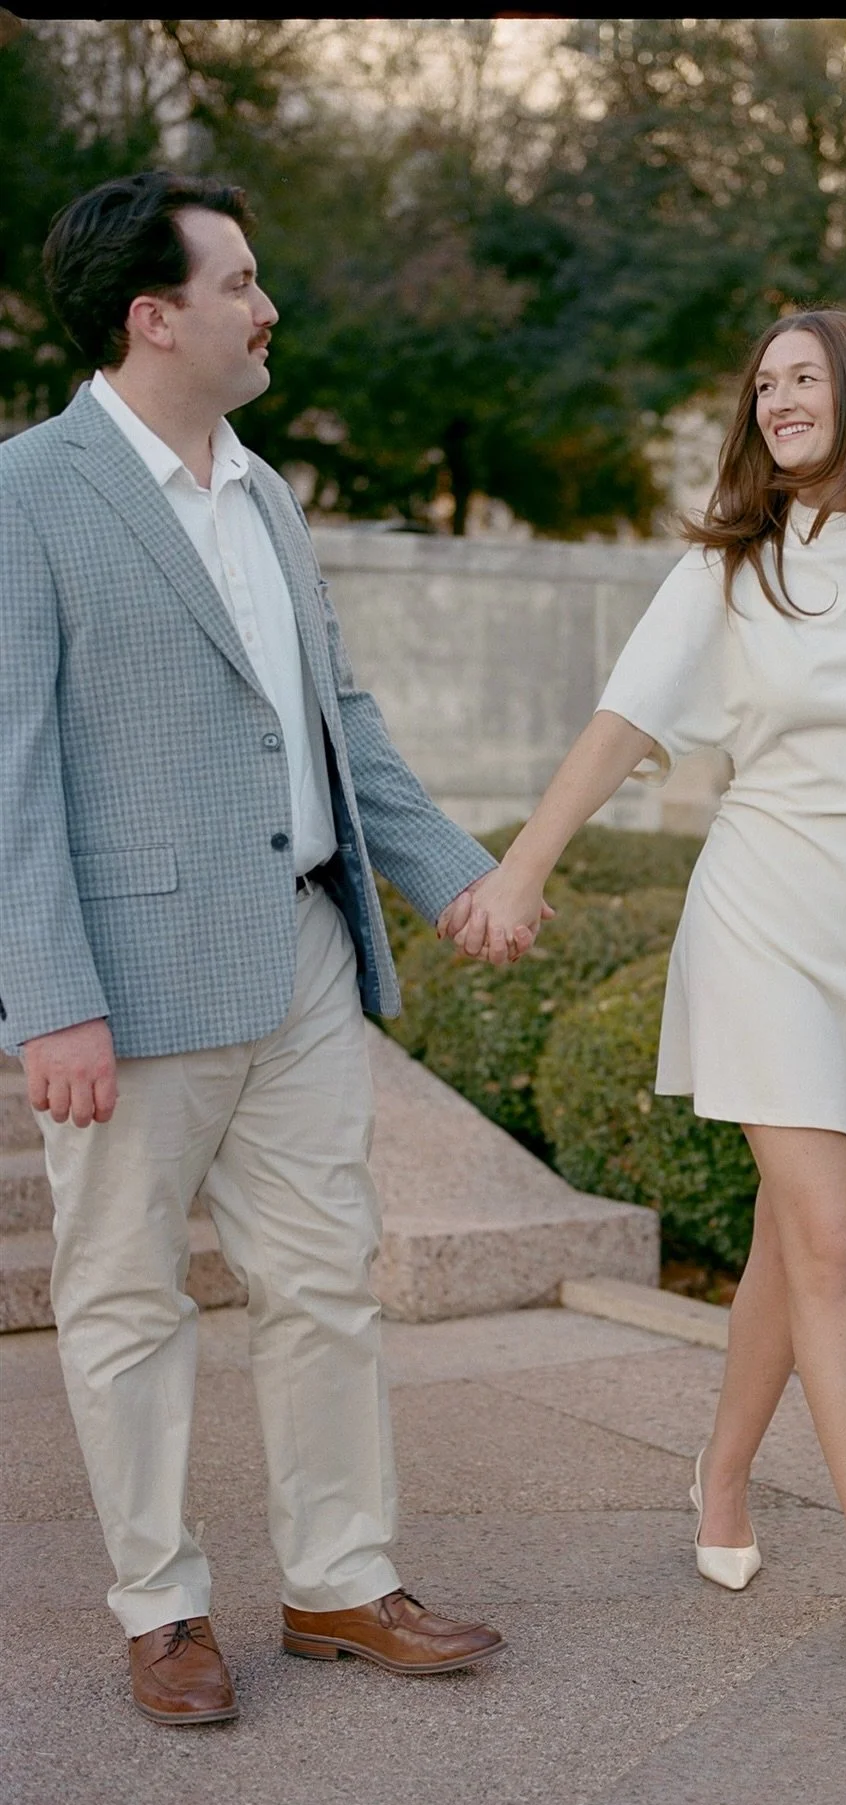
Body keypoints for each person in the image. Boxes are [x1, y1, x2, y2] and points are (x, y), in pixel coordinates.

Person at [443, 308, 846, 1676]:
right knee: (834, 1238)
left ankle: (719, 1475)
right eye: (763, 382)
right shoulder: (732, 566)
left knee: (798, 1233)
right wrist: (524, 869)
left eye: (804, 376)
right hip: (763, 909)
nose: (777, 397)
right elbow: (626, 723)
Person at [0, 173, 525, 1725]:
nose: (266, 305)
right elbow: (10, 768)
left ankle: (339, 1584)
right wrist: (50, 1003)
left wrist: (453, 876)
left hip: (300, 949)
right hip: (129, 984)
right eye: (239, 281)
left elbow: (336, 722)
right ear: (152, 316)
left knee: (322, 1281)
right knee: (123, 1300)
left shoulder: (269, 490)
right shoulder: (26, 491)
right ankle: (163, 1610)